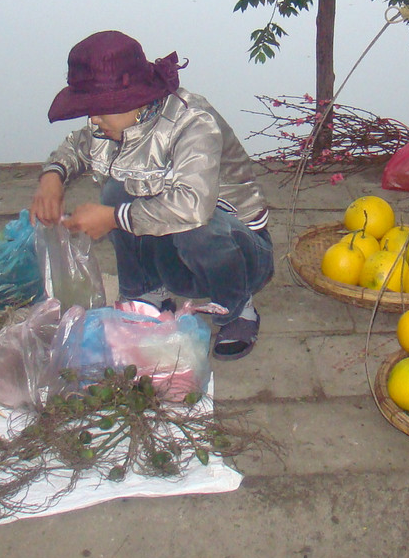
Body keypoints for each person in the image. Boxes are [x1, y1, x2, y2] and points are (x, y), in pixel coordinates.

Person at [31, 31, 273, 360]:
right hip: (173, 245)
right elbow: (76, 147)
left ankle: (237, 307)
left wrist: (112, 218)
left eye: (99, 110)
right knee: (118, 189)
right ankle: (147, 296)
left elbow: (193, 207)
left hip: (236, 250)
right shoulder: (109, 124)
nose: (93, 120)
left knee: (195, 226)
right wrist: (53, 176)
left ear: (135, 99)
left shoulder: (193, 122)